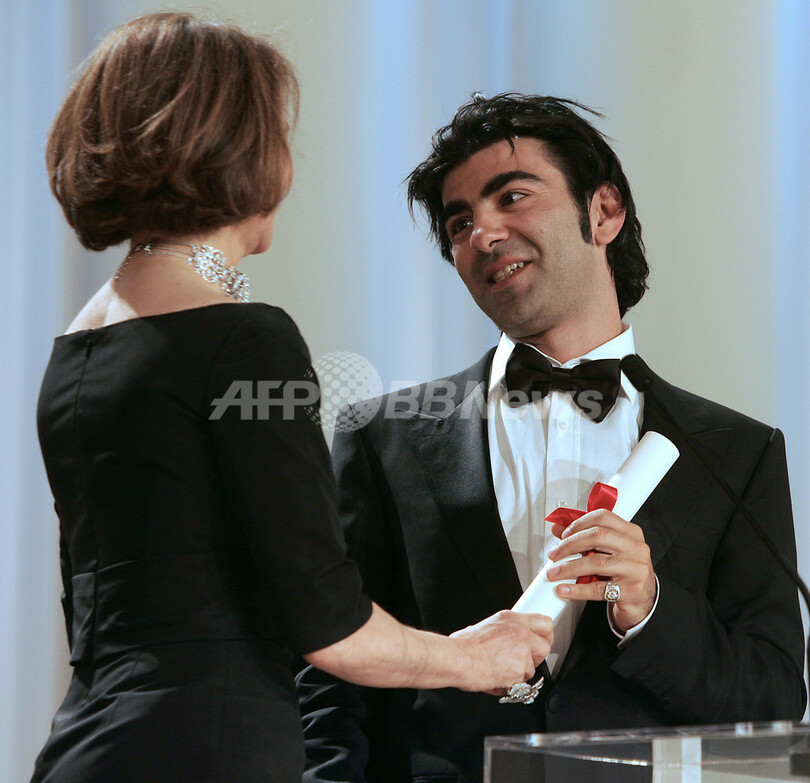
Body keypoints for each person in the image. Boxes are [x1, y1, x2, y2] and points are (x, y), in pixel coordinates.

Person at [31, 24, 554, 783]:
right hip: (209, 746)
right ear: (235, 148)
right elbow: (328, 621)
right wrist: (473, 658)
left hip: (87, 742)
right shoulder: (246, 341)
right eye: (277, 132)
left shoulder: (77, 349)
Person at [297, 93, 806, 783]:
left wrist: (649, 608)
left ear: (604, 211)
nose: (482, 234)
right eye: (459, 222)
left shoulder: (735, 452)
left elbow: (774, 696)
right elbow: (329, 681)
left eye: (512, 197)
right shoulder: (380, 438)